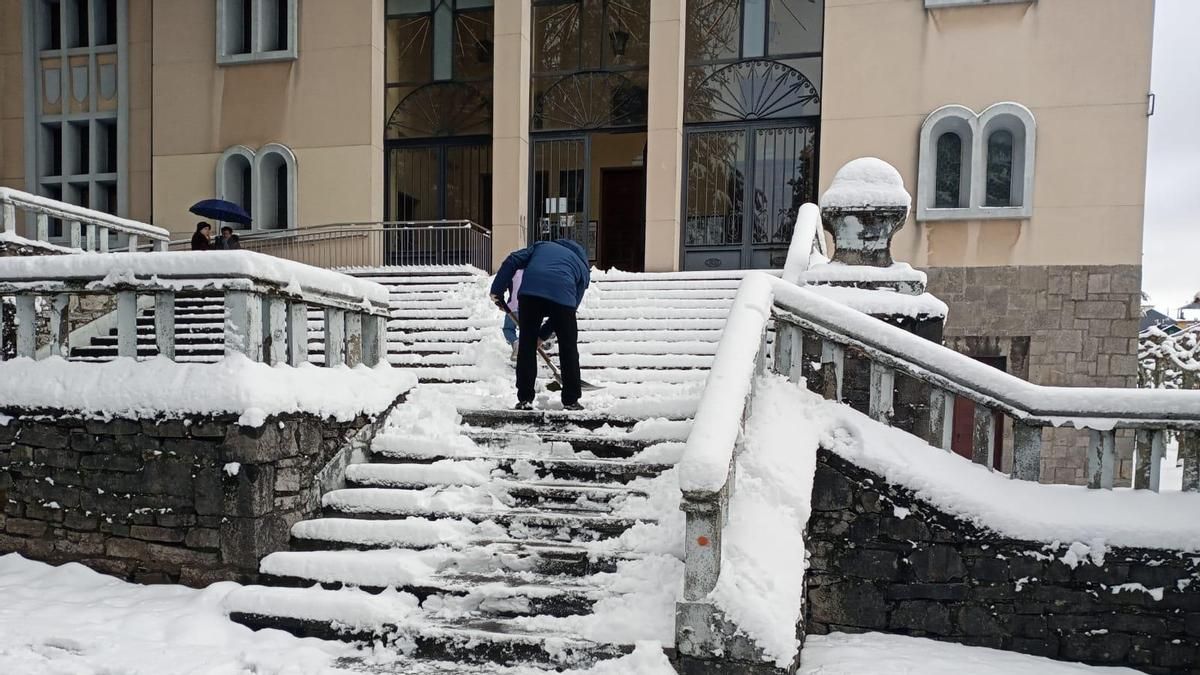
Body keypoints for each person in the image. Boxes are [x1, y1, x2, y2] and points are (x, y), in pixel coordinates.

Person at [491, 239, 590, 411]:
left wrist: (497, 290)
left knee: (526, 347)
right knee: (568, 349)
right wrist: (543, 335)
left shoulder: (541, 247)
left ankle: (525, 399)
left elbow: (512, 260)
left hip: (531, 294)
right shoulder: (582, 267)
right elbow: (570, 307)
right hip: (563, 297)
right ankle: (571, 400)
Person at [501, 269, 556, 362]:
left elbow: (501, 286)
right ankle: (544, 336)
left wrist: (501, 302)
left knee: (508, 328)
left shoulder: (512, 271)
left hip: (512, 307)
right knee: (529, 329)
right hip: (529, 306)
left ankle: (516, 343)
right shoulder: (533, 270)